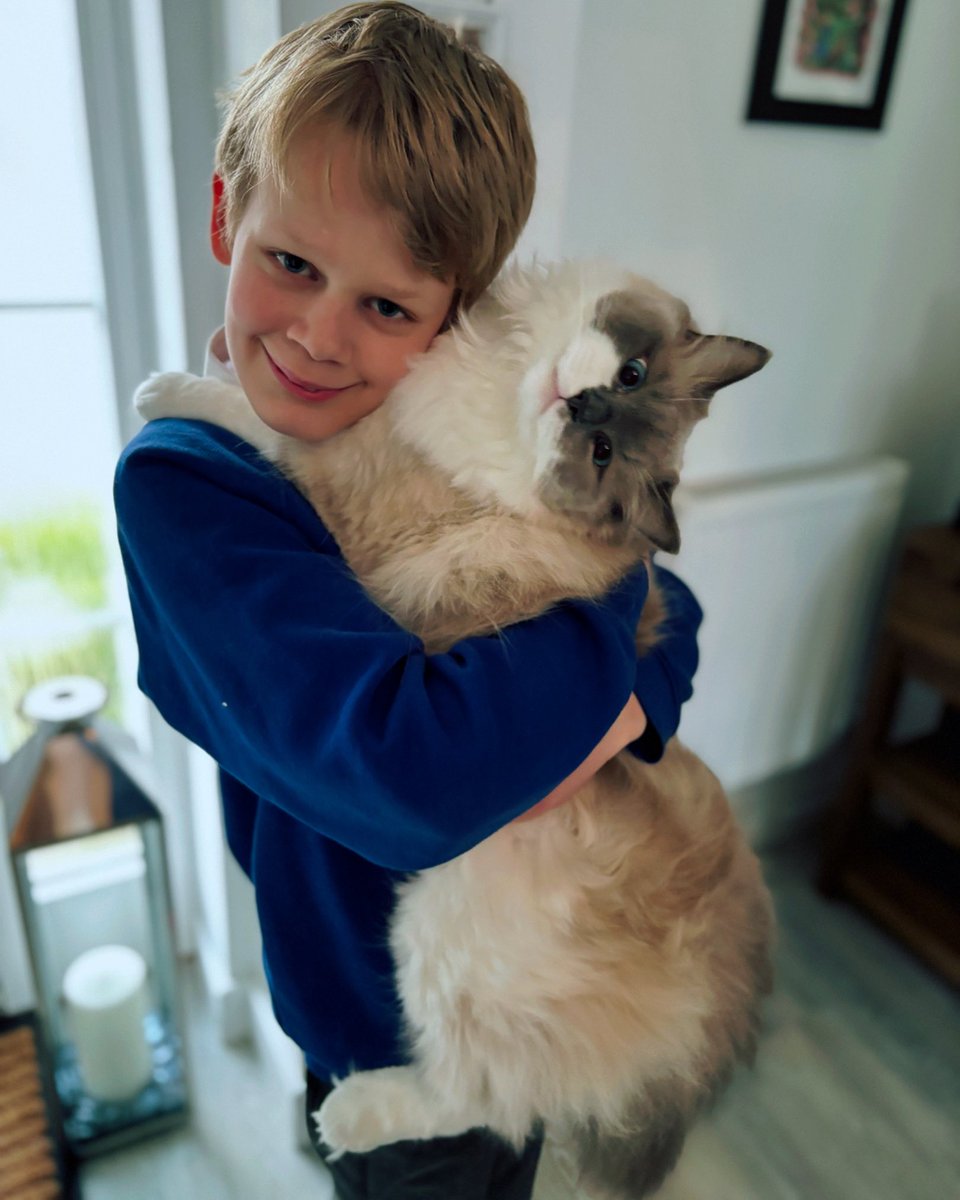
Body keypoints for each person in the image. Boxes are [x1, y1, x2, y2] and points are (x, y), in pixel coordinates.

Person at [113, 5, 703, 1198]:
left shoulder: (413, 423)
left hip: (501, 991)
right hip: (389, 1014)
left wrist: (626, 695)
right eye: (293, 264)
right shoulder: (185, 486)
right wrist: (602, 679)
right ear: (228, 215)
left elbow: (668, 600)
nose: (321, 337)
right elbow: (418, 777)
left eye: (387, 307)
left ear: (453, 318)